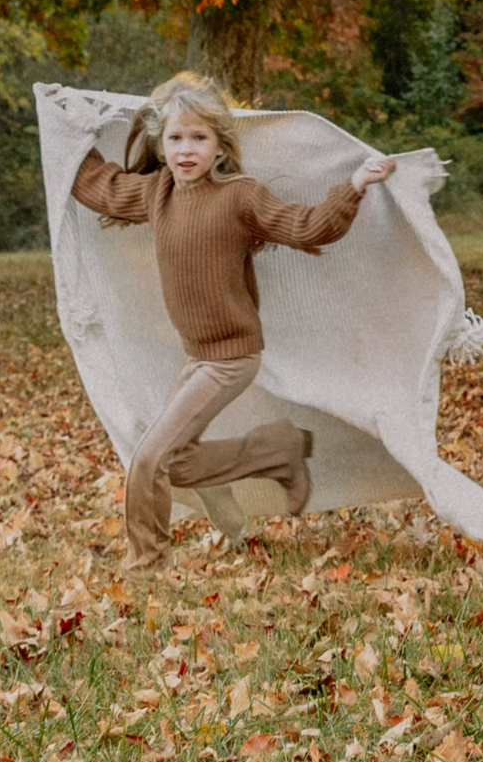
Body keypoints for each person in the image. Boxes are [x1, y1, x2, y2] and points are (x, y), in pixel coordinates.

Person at [73, 69, 394, 566]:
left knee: (149, 459)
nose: (186, 150)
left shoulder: (240, 196)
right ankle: (277, 451)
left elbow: (307, 225)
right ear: (162, 142)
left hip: (231, 357)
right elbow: (103, 188)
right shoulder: (157, 192)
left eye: (198, 138)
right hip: (197, 355)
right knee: (174, 463)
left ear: (220, 147)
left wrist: (354, 185)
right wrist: (64, 128)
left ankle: (146, 568)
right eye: (176, 138)